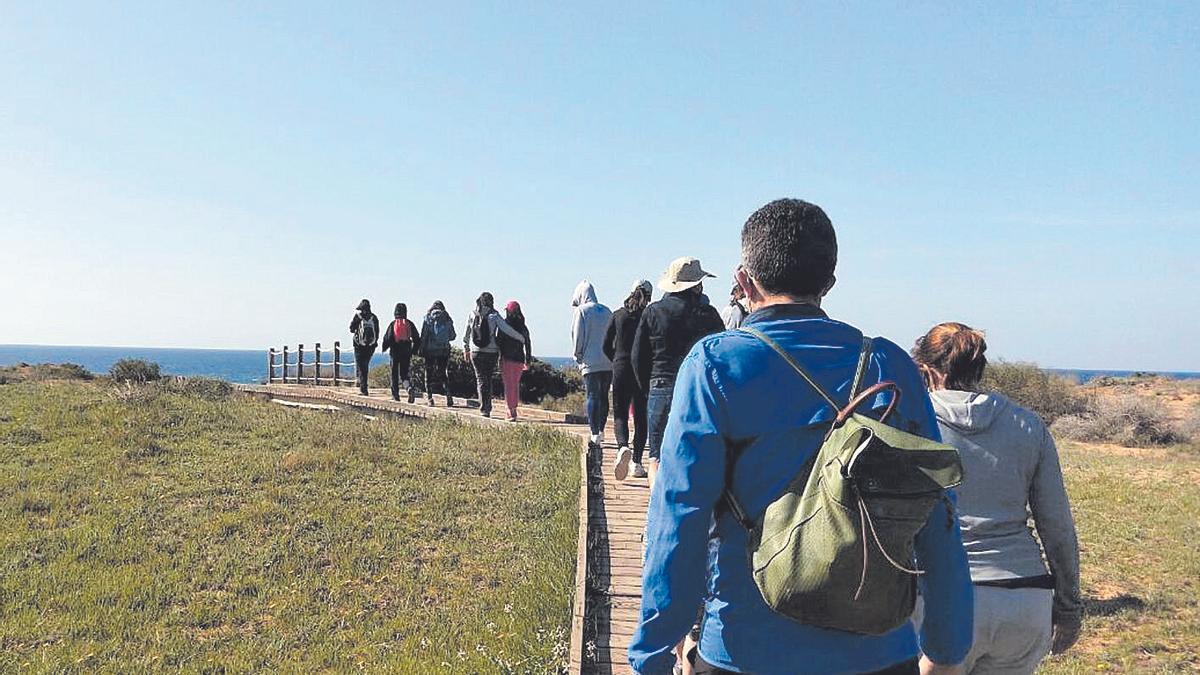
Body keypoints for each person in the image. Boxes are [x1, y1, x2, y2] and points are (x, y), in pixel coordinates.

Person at [630, 199, 973, 675]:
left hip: (745, 645)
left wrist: (653, 649)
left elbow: (679, 512)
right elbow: (937, 511)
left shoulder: (715, 365)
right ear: (829, 283)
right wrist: (948, 642)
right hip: (878, 649)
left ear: (744, 280)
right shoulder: (888, 364)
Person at [912, 322, 1081, 674]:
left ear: (927, 370)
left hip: (938, 599)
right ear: (979, 368)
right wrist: (1067, 606)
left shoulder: (910, 423)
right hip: (1024, 599)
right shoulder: (1028, 425)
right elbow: (1057, 526)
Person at [631, 257, 724, 486]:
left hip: (660, 385)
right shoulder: (709, 315)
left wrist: (647, 386)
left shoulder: (653, 312)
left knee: (657, 457)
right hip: (697, 389)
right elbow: (721, 354)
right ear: (697, 285)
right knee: (694, 456)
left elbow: (637, 356)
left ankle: (656, 510)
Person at [604, 279, 653, 480]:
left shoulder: (618, 315)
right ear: (648, 297)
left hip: (620, 367)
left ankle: (622, 447)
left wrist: (616, 359)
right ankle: (637, 462)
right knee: (641, 417)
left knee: (620, 414)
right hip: (642, 370)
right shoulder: (648, 317)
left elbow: (606, 344)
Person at [463, 292, 526, 418]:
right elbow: (506, 329)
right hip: (491, 352)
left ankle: (484, 409)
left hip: (476, 352)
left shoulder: (472, 314)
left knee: (480, 379)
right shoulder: (494, 315)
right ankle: (488, 407)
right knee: (488, 379)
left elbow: (467, 333)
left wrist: (466, 349)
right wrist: (521, 338)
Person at [571, 281, 614, 449]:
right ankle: (601, 430)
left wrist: (578, 355)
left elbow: (577, 335)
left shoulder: (581, 311)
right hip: (608, 360)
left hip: (590, 360)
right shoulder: (607, 310)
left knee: (592, 396)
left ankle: (594, 431)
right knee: (603, 396)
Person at [497, 300, 533, 421]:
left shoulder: (504, 326)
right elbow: (528, 344)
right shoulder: (523, 326)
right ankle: (514, 409)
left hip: (506, 359)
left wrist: (498, 357)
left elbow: (499, 342)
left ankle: (509, 410)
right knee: (515, 385)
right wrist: (528, 361)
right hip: (519, 360)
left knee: (508, 385)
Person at [381, 303, 421, 403]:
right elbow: (417, 339)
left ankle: (395, 396)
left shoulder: (393, 324)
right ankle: (408, 388)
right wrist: (413, 350)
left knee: (394, 374)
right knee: (404, 374)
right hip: (406, 350)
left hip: (395, 351)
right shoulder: (409, 323)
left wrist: (384, 347)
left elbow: (388, 338)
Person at [420, 301, 457, 406]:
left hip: (430, 350)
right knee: (443, 373)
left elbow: (424, 335)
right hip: (444, 350)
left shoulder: (428, 318)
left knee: (429, 374)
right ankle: (448, 396)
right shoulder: (447, 318)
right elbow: (453, 336)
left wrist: (421, 348)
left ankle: (430, 398)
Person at [348, 299, 379, 396]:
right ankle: (364, 387)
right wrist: (373, 343)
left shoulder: (358, 317)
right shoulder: (374, 317)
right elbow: (377, 332)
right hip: (370, 346)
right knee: (365, 365)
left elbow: (351, 329)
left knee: (361, 367)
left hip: (359, 345)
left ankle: (363, 389)